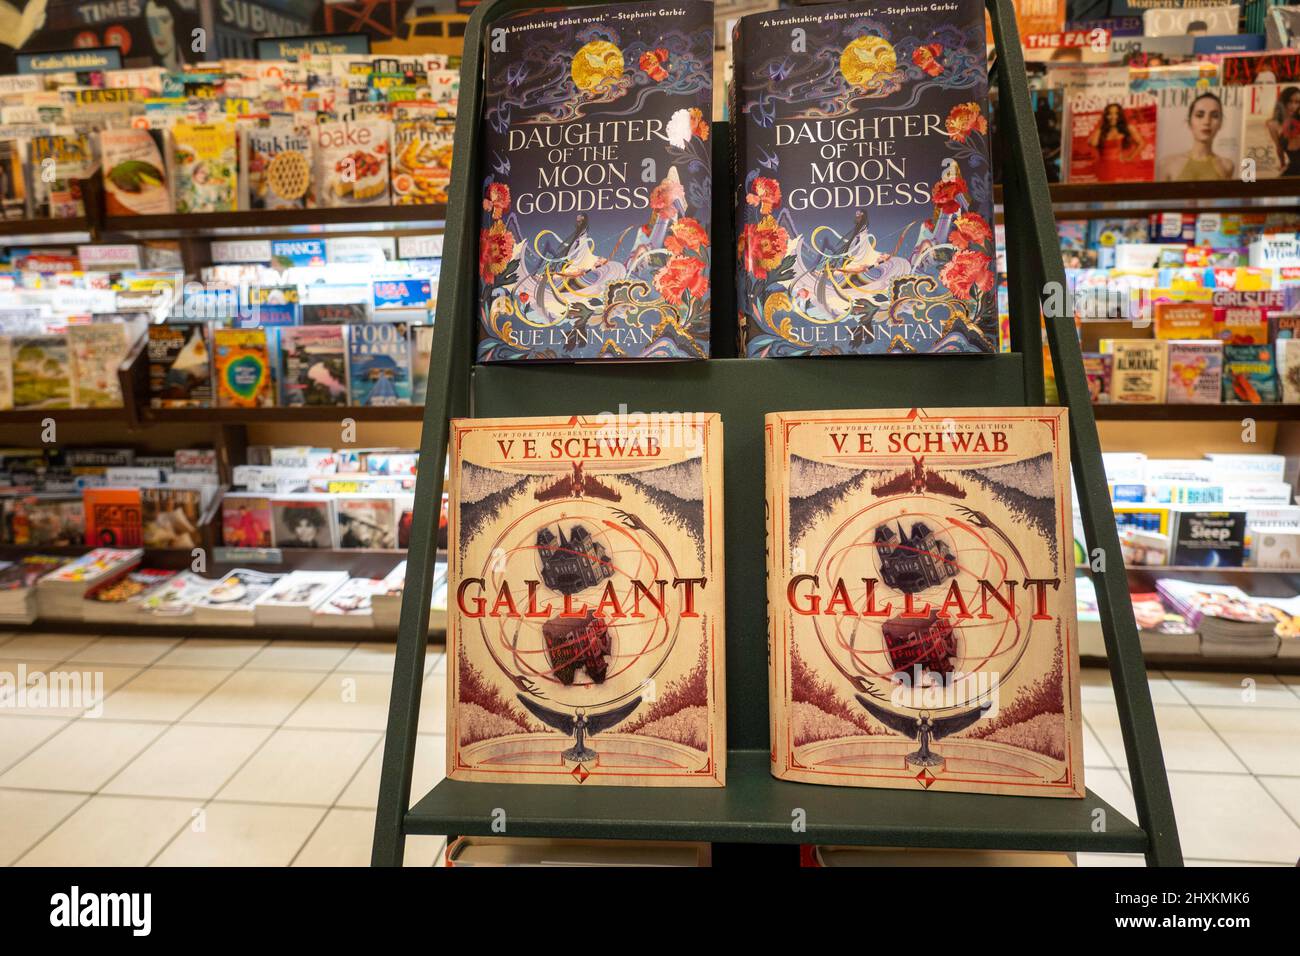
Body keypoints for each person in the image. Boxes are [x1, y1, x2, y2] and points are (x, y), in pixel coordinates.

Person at [1157, 92, 1235, 181]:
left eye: (1214, 116)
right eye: (1199, 115)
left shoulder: (1227, 166)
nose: (1206, 122)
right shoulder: (1167, 164)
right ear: (1189, 122)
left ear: (1220, 123)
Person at [1089, 102, 1147, 181]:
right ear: (1105, 116)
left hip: (1120, 168)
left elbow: (1141, 143)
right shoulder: (1102, 131)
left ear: (1120, 115)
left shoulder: (1128, 128)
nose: (1113, 117)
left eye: (1116, 113)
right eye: (1109, 114)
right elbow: (1093, 143)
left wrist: (1130, 157)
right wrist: (1101, 127)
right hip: (1102, 169)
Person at [1267, 86, 1300, 177]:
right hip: (1293, 168)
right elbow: (1279, 148)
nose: (1293, 106)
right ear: (1283, 102)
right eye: (1290, 101)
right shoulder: (1273, 125)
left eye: (1297, 102)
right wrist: (1282, 164)